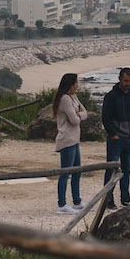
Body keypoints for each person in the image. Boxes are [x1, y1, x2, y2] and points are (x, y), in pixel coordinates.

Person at [101, 67, 130, 206]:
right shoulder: (111, 96)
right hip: (116, 140)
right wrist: (113, 134)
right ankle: (108, 199)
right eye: (125, 81)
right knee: (111, 170)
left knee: (126, 170)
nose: (127, 84)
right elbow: (105, 118)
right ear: (119, 79)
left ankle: (125, 198)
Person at [52, 72, 87, 214]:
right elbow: (74, 120)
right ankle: (61, 204)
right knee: (65, 173)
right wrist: (78, 115)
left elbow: (85, 112)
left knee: (77, 172)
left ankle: (77, 201)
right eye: (76, 83)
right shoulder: (65, 99)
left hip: (74, 139)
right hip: (67, 140)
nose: (78, 85)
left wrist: (79, 114)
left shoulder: (73, 97)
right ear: (71, 84)